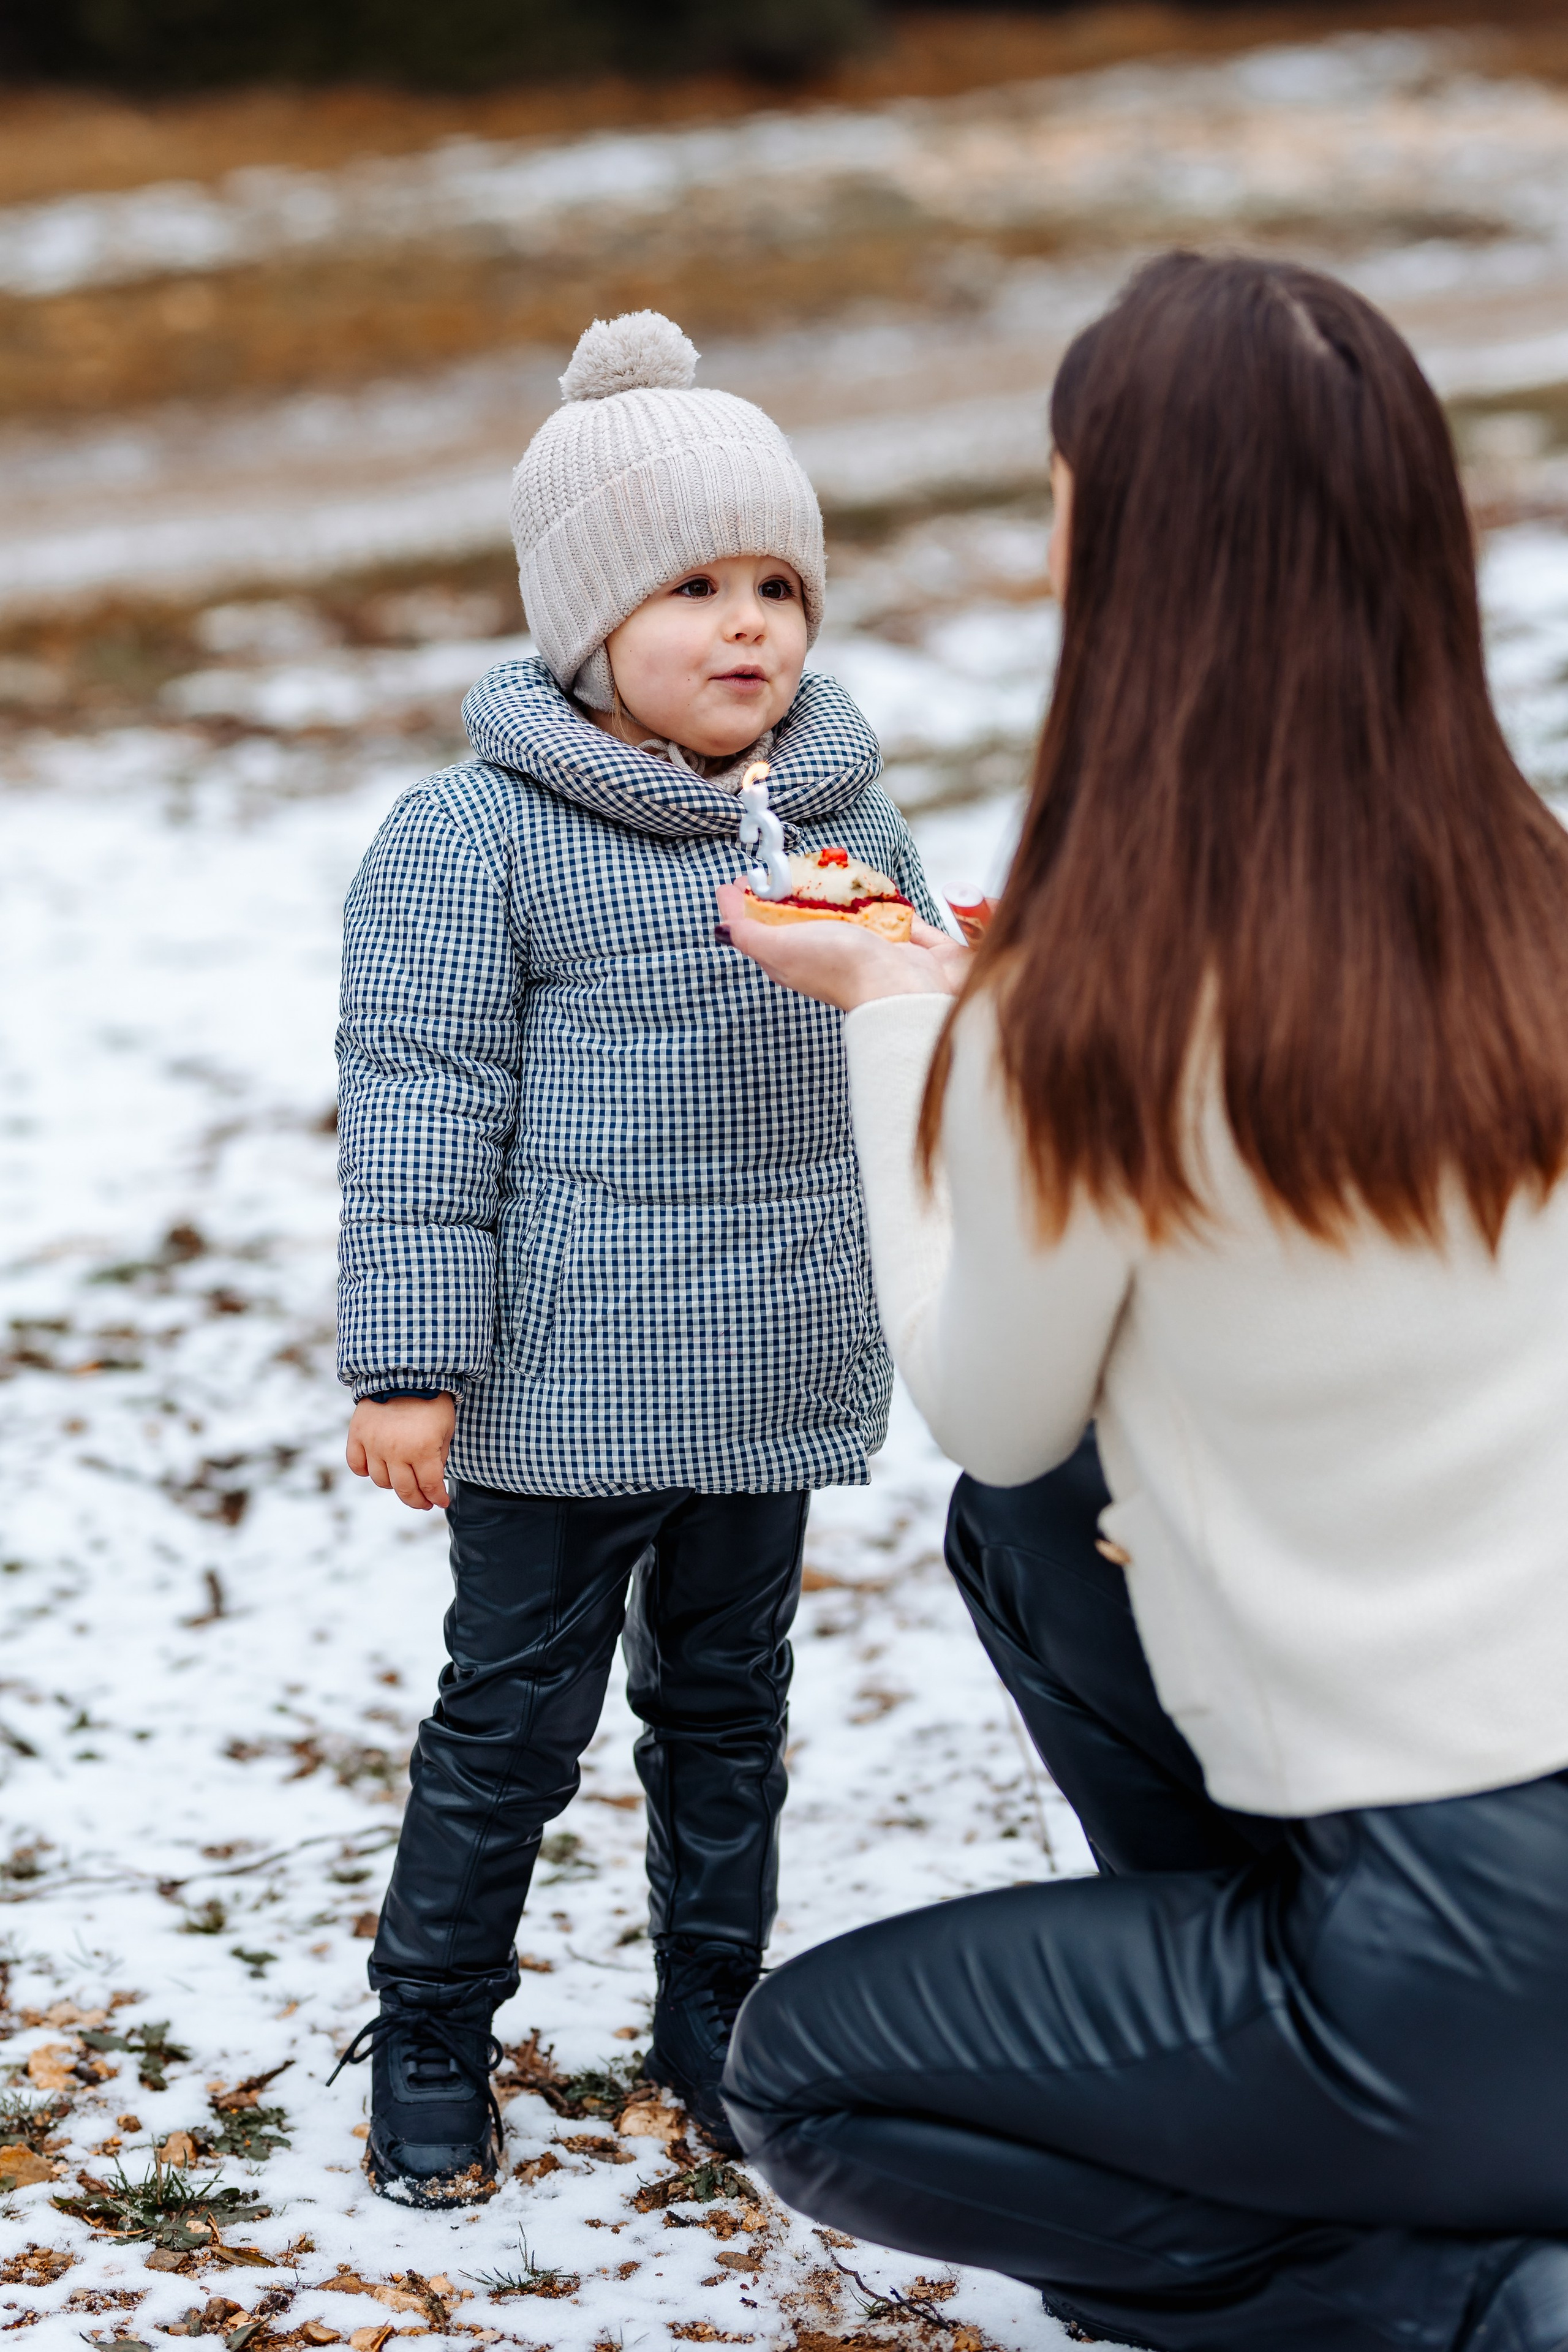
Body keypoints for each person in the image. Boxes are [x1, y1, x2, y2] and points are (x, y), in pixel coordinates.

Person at [715, 252, 1568, 2351]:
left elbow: (989, 1403)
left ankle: (1471, 2302)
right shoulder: (1542, 909)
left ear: (1127, 557)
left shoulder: (1095, 1022)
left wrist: (905, 1017)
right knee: (1047, 1531)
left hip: (1457, 1961)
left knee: (807, 2078)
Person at [330, 310, 941, 2205]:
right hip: (564, 1379)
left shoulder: (846, 823)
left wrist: (943, 991)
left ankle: (715, 2015)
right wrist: (409, 1360)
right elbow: (422, 1099)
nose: (750, 626)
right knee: (514, 1721)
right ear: (590, 621)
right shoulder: (476, 840)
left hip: (768, 1363)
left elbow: (916, 1052)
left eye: (779, 586)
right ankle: (432, 2025)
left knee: (729, 1710)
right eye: (694, 587)